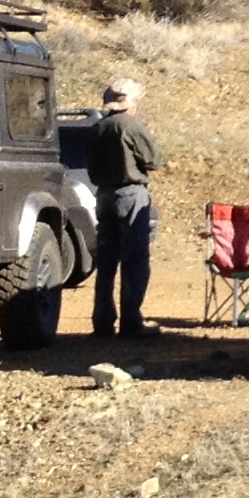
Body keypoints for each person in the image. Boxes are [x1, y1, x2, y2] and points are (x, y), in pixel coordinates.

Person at [86, 80, 160, 339]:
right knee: (135, 259)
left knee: (106, 263)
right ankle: (131, 322)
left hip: (104, 195)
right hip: (130, 194)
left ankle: (102, 322)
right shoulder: (130, 125)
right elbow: (153, 160)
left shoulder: (97, 128)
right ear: (131, 103)